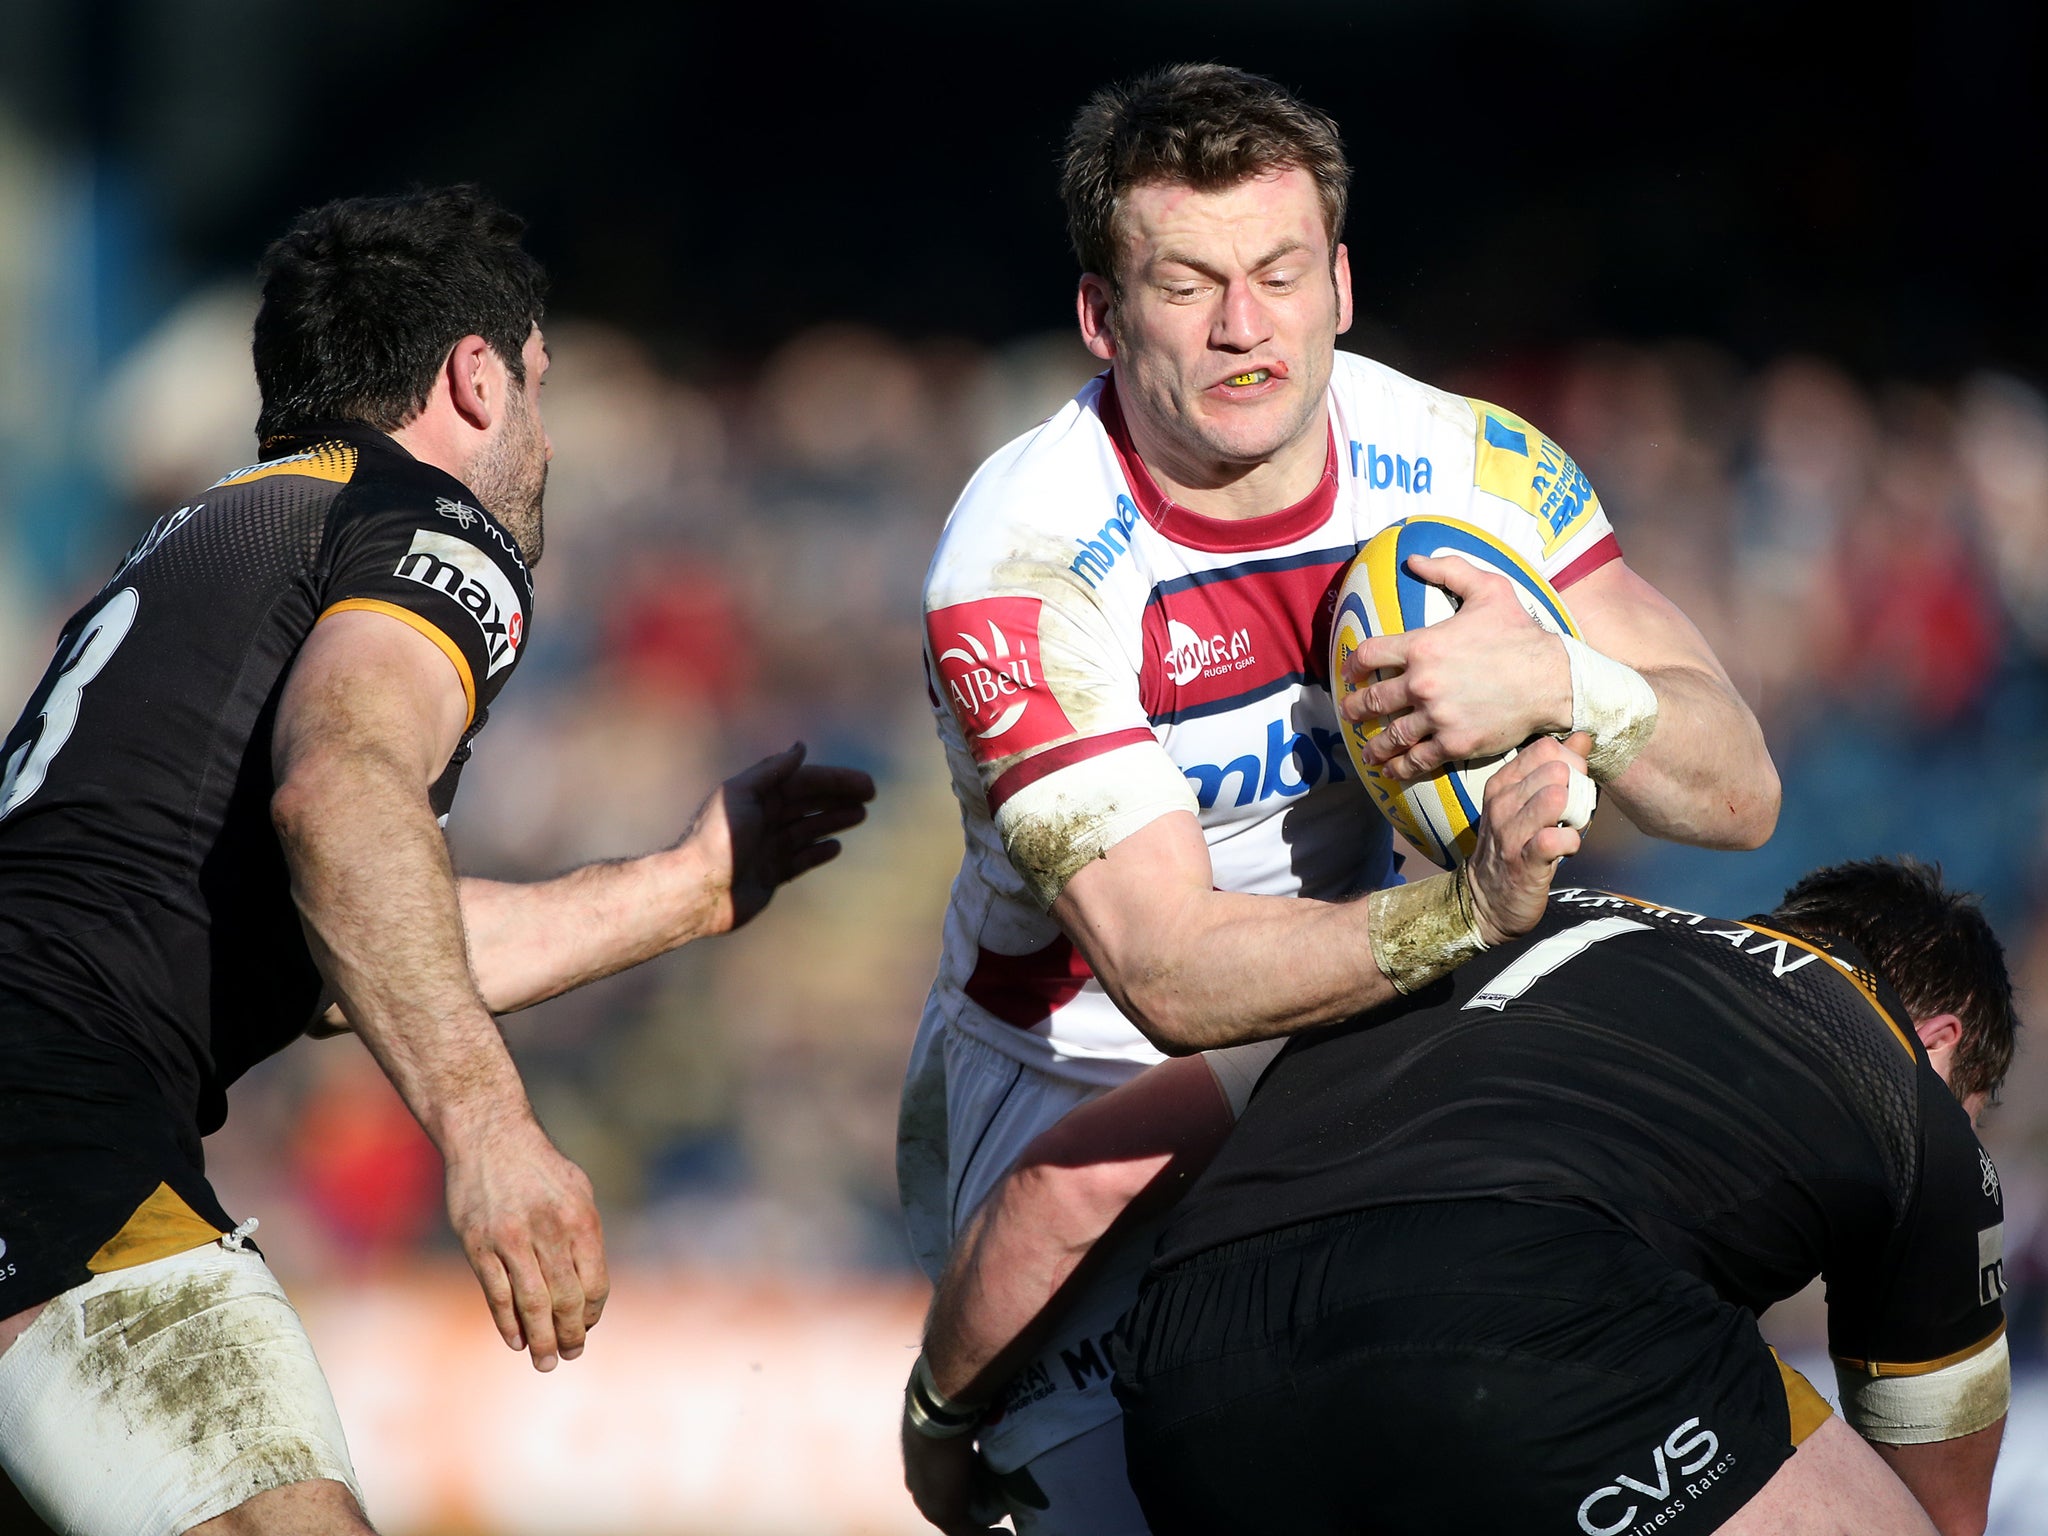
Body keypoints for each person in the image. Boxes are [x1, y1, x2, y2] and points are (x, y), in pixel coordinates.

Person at [900, 62, 1780, 1532]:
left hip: (1364, 1030)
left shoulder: (1467, 464)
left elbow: (1736, 786)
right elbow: (1171, 973)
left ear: (1344, 283)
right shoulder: (1021, 565)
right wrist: (1467, 911)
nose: (1245, 328)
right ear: (1102, 321)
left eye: (1279, 273)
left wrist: (1563, 682)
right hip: (1076, 1086)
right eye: (1186, 286)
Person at [0, 187, 875, 1536]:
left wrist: (688, 890)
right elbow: (343, 785)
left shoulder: (212, 541)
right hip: (55, 1120)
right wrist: (490, 1132)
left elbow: (358, 937)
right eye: (539, 385)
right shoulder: (425, 521)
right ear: (477, 375)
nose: (543, 434)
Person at [913, 859, 2015, 1536]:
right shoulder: (1900, 1093)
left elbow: (1067, 1186)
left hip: (1196, 1391)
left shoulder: (1479, 930)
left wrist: (936, 1426)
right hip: (1524, 1331)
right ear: (1938, 1041)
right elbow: (1939, 1512)